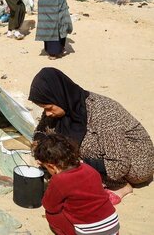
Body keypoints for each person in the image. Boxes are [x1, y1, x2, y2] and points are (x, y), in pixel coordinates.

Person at [29, 67, 154, 203]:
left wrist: (71, 164)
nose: (47, 113)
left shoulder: (103, 113)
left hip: (135, 165)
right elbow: (41, 129)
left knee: (78, 146)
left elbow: (119, 164)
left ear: (59, 96)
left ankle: (121, 186)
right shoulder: (65, 104)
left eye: (49, 108)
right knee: (53, 140)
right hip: (114, 159)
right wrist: (39, 147)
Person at [34, 133, 120, 235]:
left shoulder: (59, 180)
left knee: (52, 215)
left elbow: (50, 206)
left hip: (91, 231)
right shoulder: (89, 169)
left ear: (52, 167)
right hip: (113, 226)